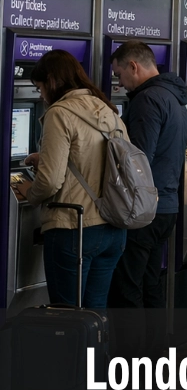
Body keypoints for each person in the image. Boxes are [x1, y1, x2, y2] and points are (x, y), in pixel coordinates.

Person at [18, 51, 129, 310]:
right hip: (113, 227)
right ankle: (97, 353)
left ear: (52, 81)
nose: (41, 96)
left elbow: (50, 182)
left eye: (40, 88)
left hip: (75, 227)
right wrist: (45, 157)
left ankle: (72, 354)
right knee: (95, 313)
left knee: (67, 317)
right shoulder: (106, 108)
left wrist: (30, 192)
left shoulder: (60, 113)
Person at [107, 42, 187, 364]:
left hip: (144, 210)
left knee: (127, 290)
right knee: (151, 287)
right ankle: (155, 367)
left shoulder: (146, 101)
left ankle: (130, 373)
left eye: (119, 75)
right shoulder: (175, 99)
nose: (119, 84)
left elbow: (136, 159)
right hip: (167, 206)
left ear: (133, 67)